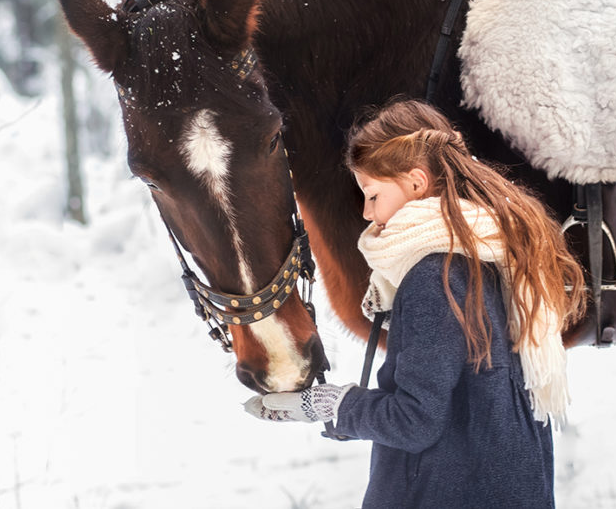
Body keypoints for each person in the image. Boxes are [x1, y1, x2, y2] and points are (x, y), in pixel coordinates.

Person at [245, 98, 586, 508]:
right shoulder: (492, 252)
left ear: (416, 183)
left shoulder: (435, 277)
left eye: (372, 194)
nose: (369, 214)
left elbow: (414, 422)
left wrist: (332, 404)